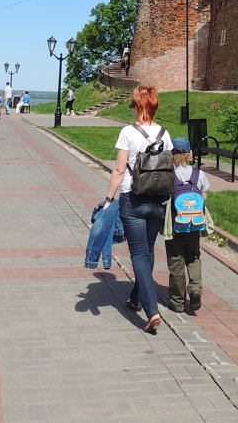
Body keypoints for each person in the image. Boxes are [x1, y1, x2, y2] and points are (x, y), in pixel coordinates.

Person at [102, 85, 173, 333]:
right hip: (158, 199)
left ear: (138, 106)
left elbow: (120, 170)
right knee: (148, 251)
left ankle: (151, 310)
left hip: (133, 198)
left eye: (133, 104)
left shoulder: (128, 132)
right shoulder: (165, 134)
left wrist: (109, 199)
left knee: (140, 255)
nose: (131, 109)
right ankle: (135, 298)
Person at [164, 138, 210, 313]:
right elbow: (204, 196)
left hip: (175, 224)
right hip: (194, 223)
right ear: (191, 154)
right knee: (193, 255)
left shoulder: (169, 175)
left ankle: (177, 302)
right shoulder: (199, 174)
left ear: (172, 155)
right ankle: (195, 288)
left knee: (176, 260)